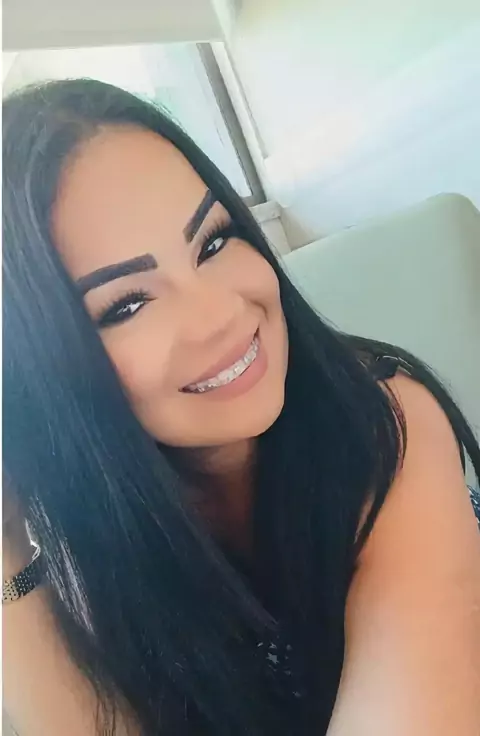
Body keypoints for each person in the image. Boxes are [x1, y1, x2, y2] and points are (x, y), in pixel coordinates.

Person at [2, 79, 480, 736]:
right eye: (128, 304)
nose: (222, 315)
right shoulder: (92, 546)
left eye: (213, 241)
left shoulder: (384, 421)